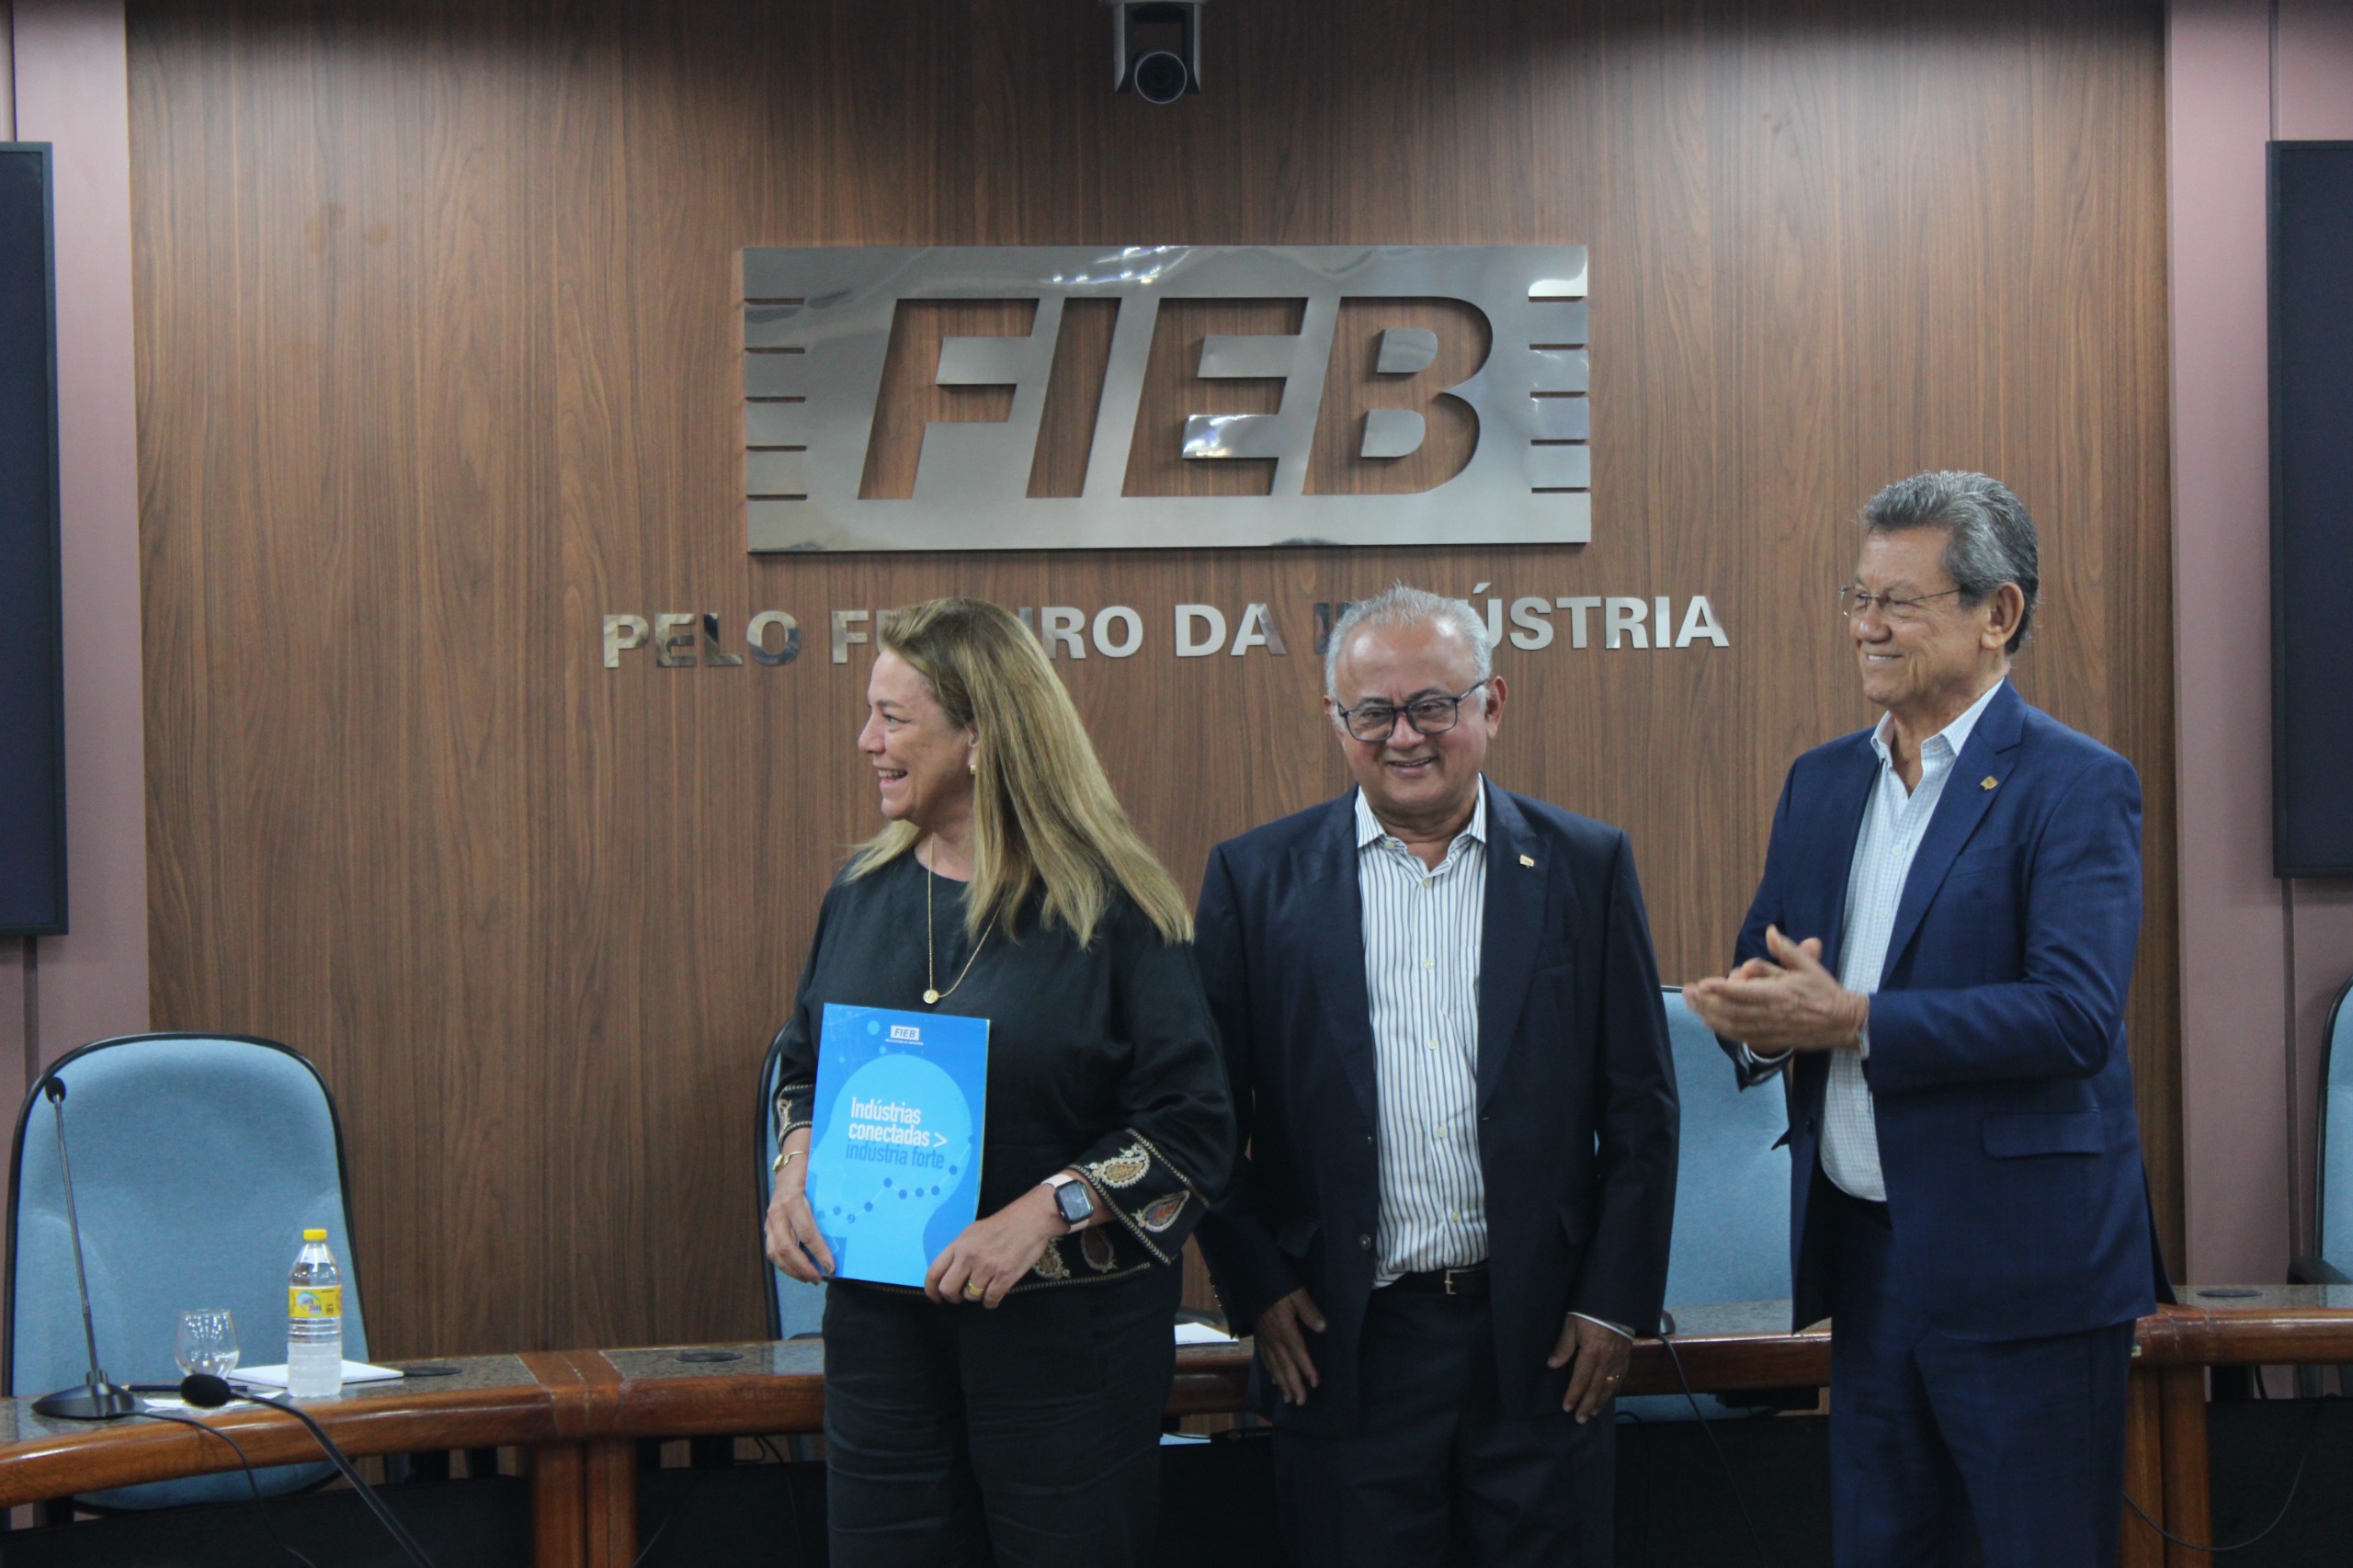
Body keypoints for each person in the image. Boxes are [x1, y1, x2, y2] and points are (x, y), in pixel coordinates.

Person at [1683, 472, 2169, 1568]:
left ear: (1998, 613)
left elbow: (2073, 1015)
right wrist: (1754, 1020)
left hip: (2025, 1268)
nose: (1865, 626)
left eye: (1898, 602)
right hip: (1868, 1261)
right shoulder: (1822, 782)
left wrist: (1855, 1017)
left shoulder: (2075, 784)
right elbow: (1774, 966)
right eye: (1857, 598)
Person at [1192, 583, 1678, 1568]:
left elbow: (1642, 1111)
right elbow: (1202, 1114)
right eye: (1373, 712)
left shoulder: (1585, 866)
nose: (1404, 736)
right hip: (1342, 1342)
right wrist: (1258, 1287)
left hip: (1541, 1343)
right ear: (1337, 720)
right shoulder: (1256, 879)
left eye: (1432, 705)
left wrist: (1611, 1301)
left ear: (1491, 703)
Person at [761, 597, 1234, 1568]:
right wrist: (793, 1164)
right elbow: (803, 1064)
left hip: (1065, 1353)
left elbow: (1193, 1129)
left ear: (979, 734)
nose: (866, 741)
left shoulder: (1114, 909)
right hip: (883, 1346)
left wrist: (1043, 1212)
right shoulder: (860, 892)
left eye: (893, 717)